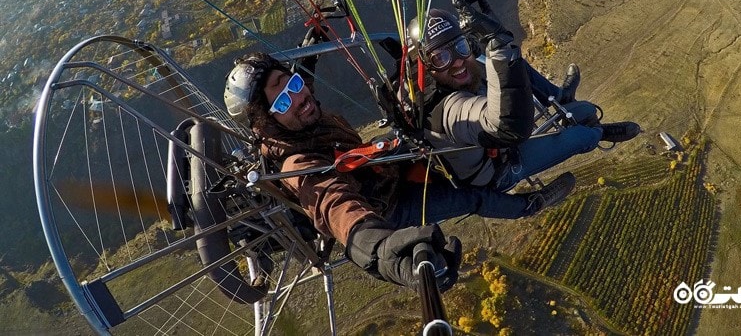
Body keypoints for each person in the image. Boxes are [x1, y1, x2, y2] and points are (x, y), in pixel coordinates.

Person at [222, 48, 577, 292]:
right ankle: (530, 206)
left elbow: (306, 83)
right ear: (265, 121)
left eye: (295, 84)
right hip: (387, 209)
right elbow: (334, 203)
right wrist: (378, 248)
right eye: (283, 99)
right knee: (472, 196)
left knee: (435, 141)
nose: (299, 97)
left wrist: (314, 37)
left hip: (382, 170)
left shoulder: (306, 119)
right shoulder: (298, 164)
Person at [402, 0, 640, 192]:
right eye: (440, 58)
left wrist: (492, 34)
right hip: (497, 169)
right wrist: (496, 42)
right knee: (583, 133)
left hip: (496, 142)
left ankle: (559, 96)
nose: (456, 62)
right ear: (423, 66)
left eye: (460, 47)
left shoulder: (442, 72)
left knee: (510, 62)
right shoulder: (450, 111)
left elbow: (493, 58)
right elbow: (505, 127)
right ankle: (599, 134)